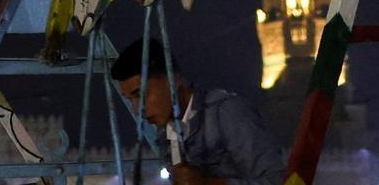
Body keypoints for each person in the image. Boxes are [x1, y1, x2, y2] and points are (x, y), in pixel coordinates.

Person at [111, 39, 284, 185]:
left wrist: (208, 183)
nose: (137, 109)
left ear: (173, 79)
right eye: (130, 100)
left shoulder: (225, 113)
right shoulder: (166, 134)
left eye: (141, 94)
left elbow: (277, 180)